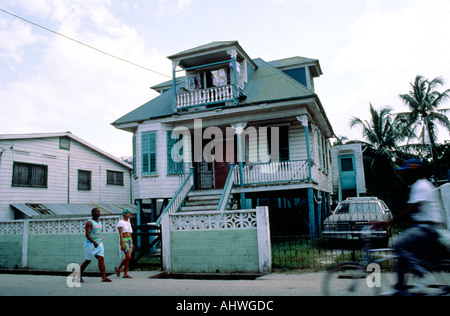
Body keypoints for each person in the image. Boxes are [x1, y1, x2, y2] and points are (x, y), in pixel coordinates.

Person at [380, 159, 443, 294]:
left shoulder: (420, 186)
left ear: (414, 172)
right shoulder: (423, 185)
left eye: (407, 172)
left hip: (426, 228)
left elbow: (411, 209)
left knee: (399, 246)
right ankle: (400, 288)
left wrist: (391, 221)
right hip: (424, 227)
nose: (404, 176)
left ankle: (421, 274)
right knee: (403, 253)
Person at [79, 208, 112, 283]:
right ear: (92, 213)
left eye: (99, 212)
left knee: (101, 259)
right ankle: (79, 275)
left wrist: (97, 242)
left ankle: (104, 277)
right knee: (88, 261)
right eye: (96, 212)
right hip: (90, 244)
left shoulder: (99, 222)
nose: (98, 213)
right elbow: (87, 234)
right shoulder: (89, 222)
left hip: (99, 244)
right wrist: (93, 242)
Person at [115, 208, 134, 279]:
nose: (128, 215)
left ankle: (125, 273)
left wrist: (133, 243)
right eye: (127, 213)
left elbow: (130, 233)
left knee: (128, 258)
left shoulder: (128, 222)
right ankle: (119, 268)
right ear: (124, 214)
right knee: (128, 256)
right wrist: (122, 243)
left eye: (129, 213)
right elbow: (120, 234)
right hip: (125, 240)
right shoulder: (121, 222)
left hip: (129, 240)